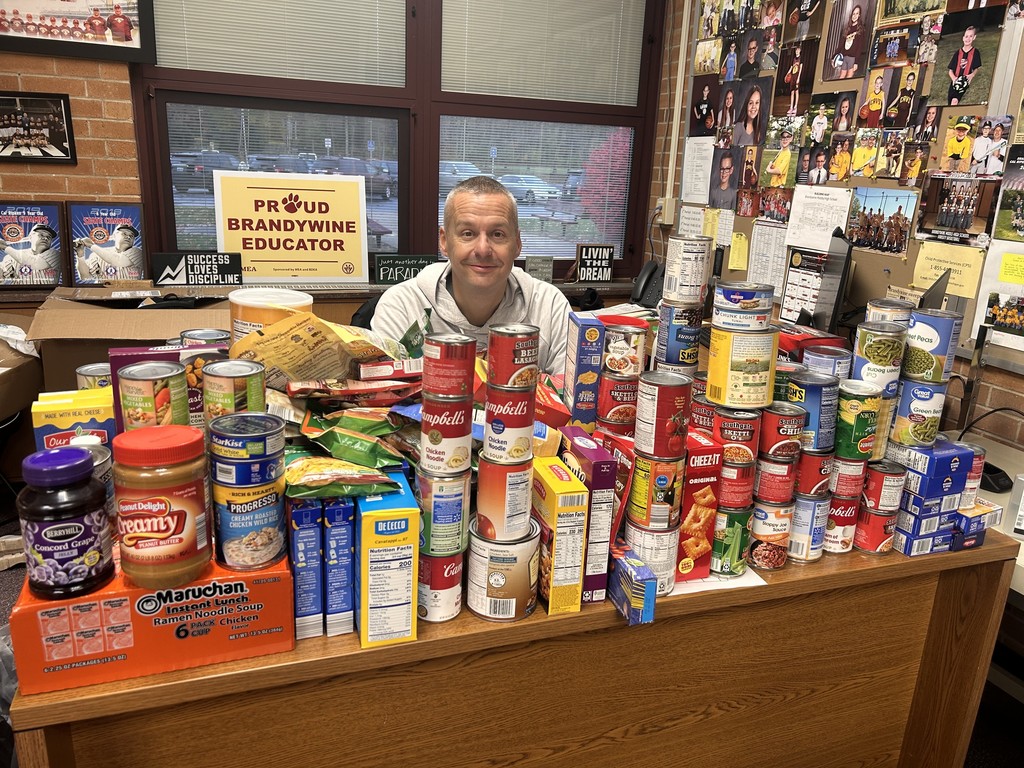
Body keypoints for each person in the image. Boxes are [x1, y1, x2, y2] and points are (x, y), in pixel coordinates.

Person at [371, 176, 570, 375]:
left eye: (497, 234)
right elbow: (387, 390)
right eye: (468, 233)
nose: (483, 250)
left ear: (517, 244)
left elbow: (569, 389)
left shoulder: (549, 306)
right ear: (444, 242)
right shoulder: (402, 306)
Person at [74, 224, 143, 281]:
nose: (128, 237)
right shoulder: (99, 254)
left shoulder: (137, 252)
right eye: (124, 233)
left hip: (129, 292)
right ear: (114, 236)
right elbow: (85, 276)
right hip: (105, 292)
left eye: (131, 236)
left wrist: (91, 245)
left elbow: (118, 261)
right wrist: (80, 255)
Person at [947, 26, 981, 106]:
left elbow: (976, 68)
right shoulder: (958, 53)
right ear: (963, 38)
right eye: (966, 36)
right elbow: (950, 70)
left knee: (954, 101)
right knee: (950, 101)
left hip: (964, 81)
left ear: (974, 37)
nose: (968, 39)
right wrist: (954, 79)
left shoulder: (975, 52)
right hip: (955, 80)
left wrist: (972, 75)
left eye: (970, 36)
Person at [835, 4, 866, 79]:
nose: (854, 16)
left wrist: (856, 62)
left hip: (852, 58)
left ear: (859, 15)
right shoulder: (847, 28)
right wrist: (834, 56)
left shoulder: (860, 29)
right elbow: (841, 44)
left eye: (857, 13)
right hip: (844, 57)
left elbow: (859, 47)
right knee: (841, 77)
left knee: (849, 77)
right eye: (853, 13)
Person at [785, 46, 802, 116]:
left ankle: (795, 107)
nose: (797, 51)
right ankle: (791, 107)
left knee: (796, 92)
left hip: (796, 77)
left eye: (798, 50)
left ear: (800, 51)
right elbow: (791, 67)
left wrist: (798, 78)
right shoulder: (793, 59)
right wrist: (787, 74)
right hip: (792, 77)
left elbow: (800, 69)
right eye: (796, 50)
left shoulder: (801, 59)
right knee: (792, 92)